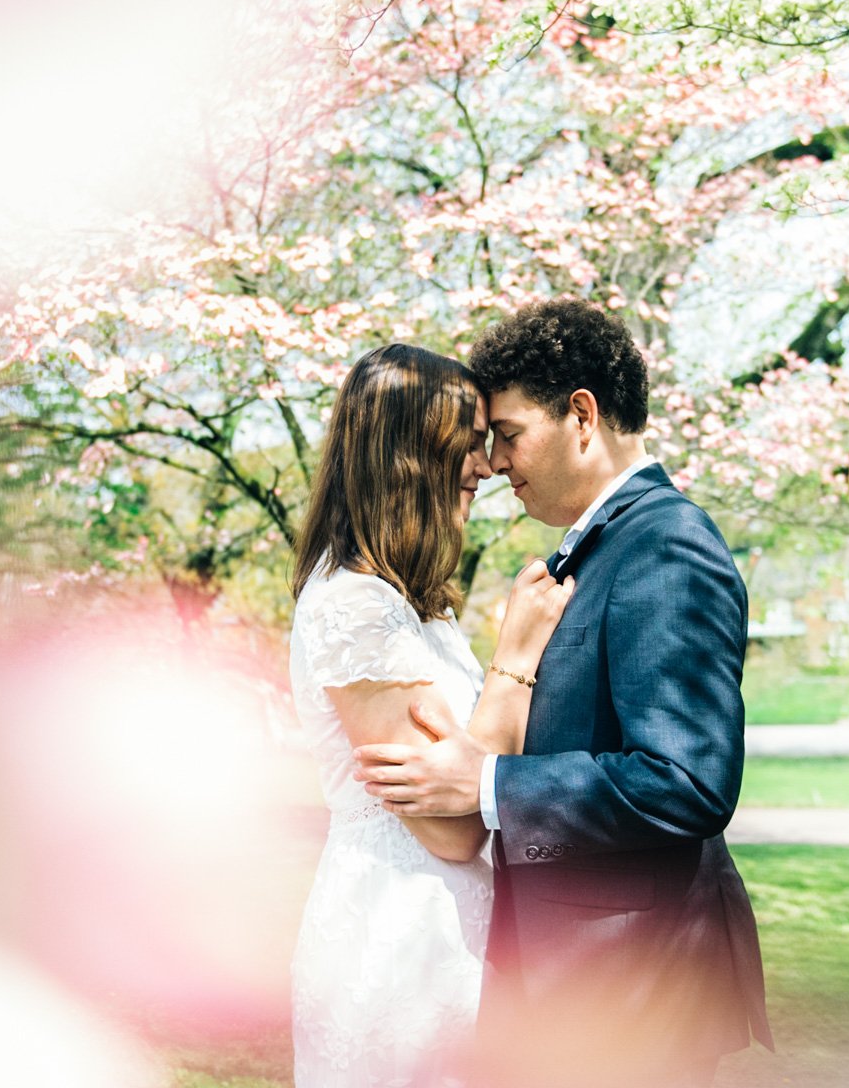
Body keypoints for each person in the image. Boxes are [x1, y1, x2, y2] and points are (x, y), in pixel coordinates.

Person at [352, 299, 773, 1088]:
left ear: (581, 414)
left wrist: (483, 785)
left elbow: (688, 783)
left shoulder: (667, 550)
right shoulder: (603, 550)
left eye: (508, 434)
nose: (496, 462)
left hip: (634, 993)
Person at [287, 343, 574, 1088]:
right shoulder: (353, 606)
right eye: (468, 445)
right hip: (396, 944)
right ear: (409, 453)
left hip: (453, 937)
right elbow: (452, 826)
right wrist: (515, 658)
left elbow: (468, 771)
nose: (485, 467)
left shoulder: (419, 611)